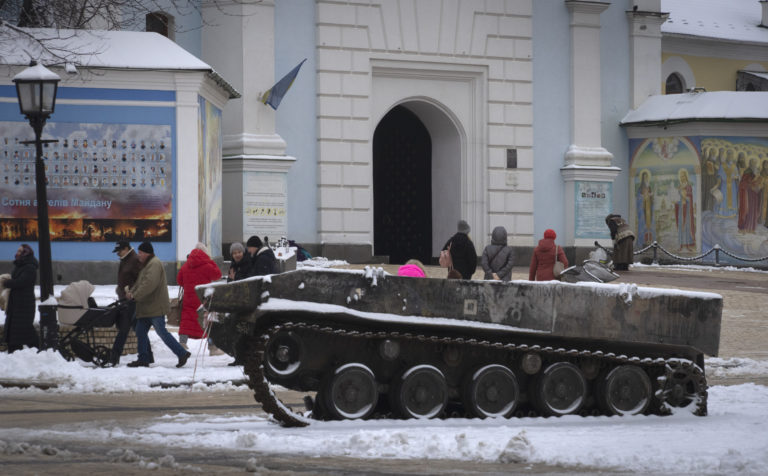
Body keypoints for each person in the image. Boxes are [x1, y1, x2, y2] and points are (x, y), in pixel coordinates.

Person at [126, 241, 190, 368]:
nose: (138, 255)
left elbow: (149, 284)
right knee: (140, 331)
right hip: (146, 307)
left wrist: (135, 295)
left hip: (155, 307)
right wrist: (131, 292)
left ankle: (182, 353)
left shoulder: (154, 264)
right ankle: (143, 358)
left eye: (140, 253)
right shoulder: (147, 264)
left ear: (147, 253)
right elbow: (140, 283)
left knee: (162, 332)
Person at [110, 240, 152, 366]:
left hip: (131, 301)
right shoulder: (125, 259)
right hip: (125, 300)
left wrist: (131, 292)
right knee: (139, 329)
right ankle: (148, 356)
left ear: (127, 248)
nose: (118, 253)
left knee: (124, 329)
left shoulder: (134, 260)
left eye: (120, 250)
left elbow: (141, 280)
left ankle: (114, 356)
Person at [177, 243, 222, 351]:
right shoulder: (207, 265)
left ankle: (182, 344)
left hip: (189, 299)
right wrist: (210, 261)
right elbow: (218, 275)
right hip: (203, 299)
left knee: (186, 322)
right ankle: (212, 347)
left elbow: (179, 280)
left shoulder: (186, 265)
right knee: (207, 322)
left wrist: (188, 286)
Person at [2, 244, 39, 352]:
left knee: (24, 329)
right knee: (15, 330)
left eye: (20, 251)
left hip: (24, 304)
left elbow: (22, 282)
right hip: (16, 304)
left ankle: (39, 352)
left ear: (25, 253)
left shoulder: (29, 267)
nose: (17, 253)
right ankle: (14, 353)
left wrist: (7, 282)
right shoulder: (20, 265)